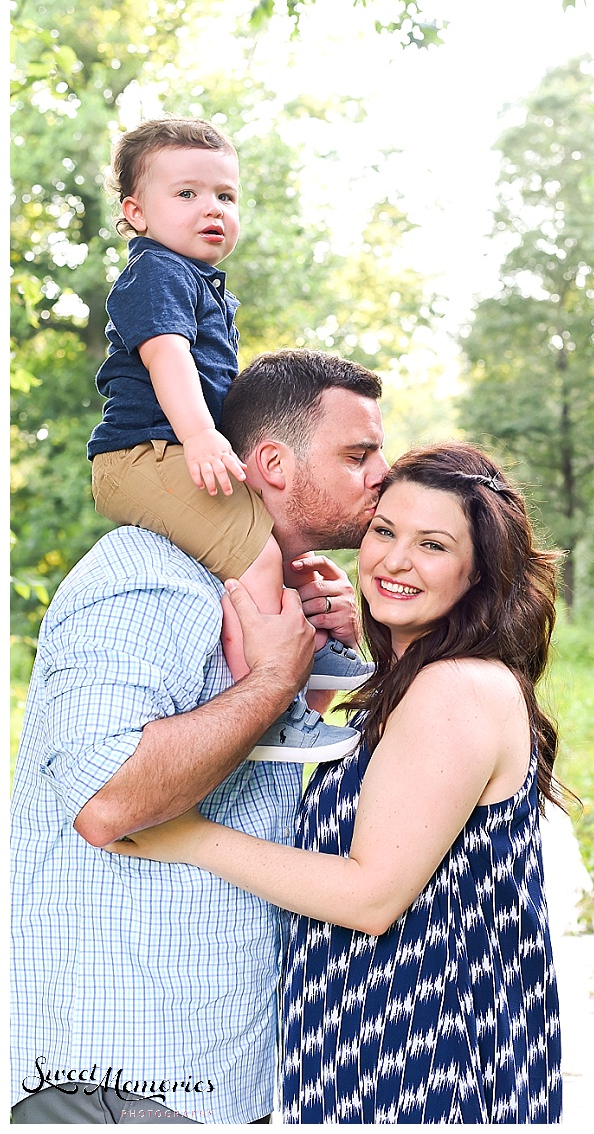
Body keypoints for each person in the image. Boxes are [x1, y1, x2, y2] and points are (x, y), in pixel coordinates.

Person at [107, 442, 566, 1124]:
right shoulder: (416, 681)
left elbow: (371, 894)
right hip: (381, 1051)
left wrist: (187, 835)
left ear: (478, 573)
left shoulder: (455, 687)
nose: (394, 559)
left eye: (433, 545)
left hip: (426, 1067)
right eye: (385, 530)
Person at [10, 349, 388, 1124]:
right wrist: (273, 680)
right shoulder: (149, 572)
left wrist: (323, 665)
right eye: (359, 454)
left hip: (223, 1066)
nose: (382, 471)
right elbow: (106, 796)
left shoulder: (285, 599)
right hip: (121, 1071)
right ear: (274, 464)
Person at [87, 115, 368, 745]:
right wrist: (203, 438)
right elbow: (167, 357)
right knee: (261, 558)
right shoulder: (156, 274)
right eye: (185, 193)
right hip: (142, 456)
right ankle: (271, 713)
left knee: (287, 557)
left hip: (172, 450)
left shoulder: (204, 286)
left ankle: (313, 665)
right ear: (136, 211)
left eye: (225, 195)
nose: (210, 208)